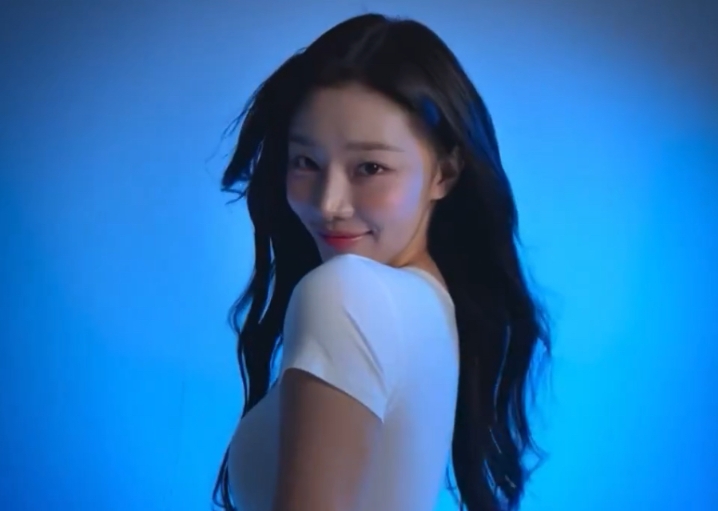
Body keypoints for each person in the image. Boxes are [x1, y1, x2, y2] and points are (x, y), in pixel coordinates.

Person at [213, 12, 551, 511]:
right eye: (306, 162)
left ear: (445, 171)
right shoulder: (427, 305)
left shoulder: (347, 294)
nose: (329, 204)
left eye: (370, 167)